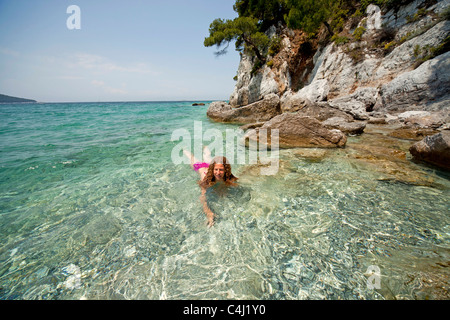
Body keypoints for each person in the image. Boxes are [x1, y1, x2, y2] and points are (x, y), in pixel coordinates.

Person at [183, 147, 238, 227]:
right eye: (216, 170)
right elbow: (203, 198)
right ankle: (185, 149)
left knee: (207, 156)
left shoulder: (227, 176)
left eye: (221, 170)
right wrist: (209, 213)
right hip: (200, 167)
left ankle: (204, 147)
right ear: (213, 170)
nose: (218, 173)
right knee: (191, 158)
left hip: (211, 166)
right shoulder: (206, 180)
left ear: (226, 170)